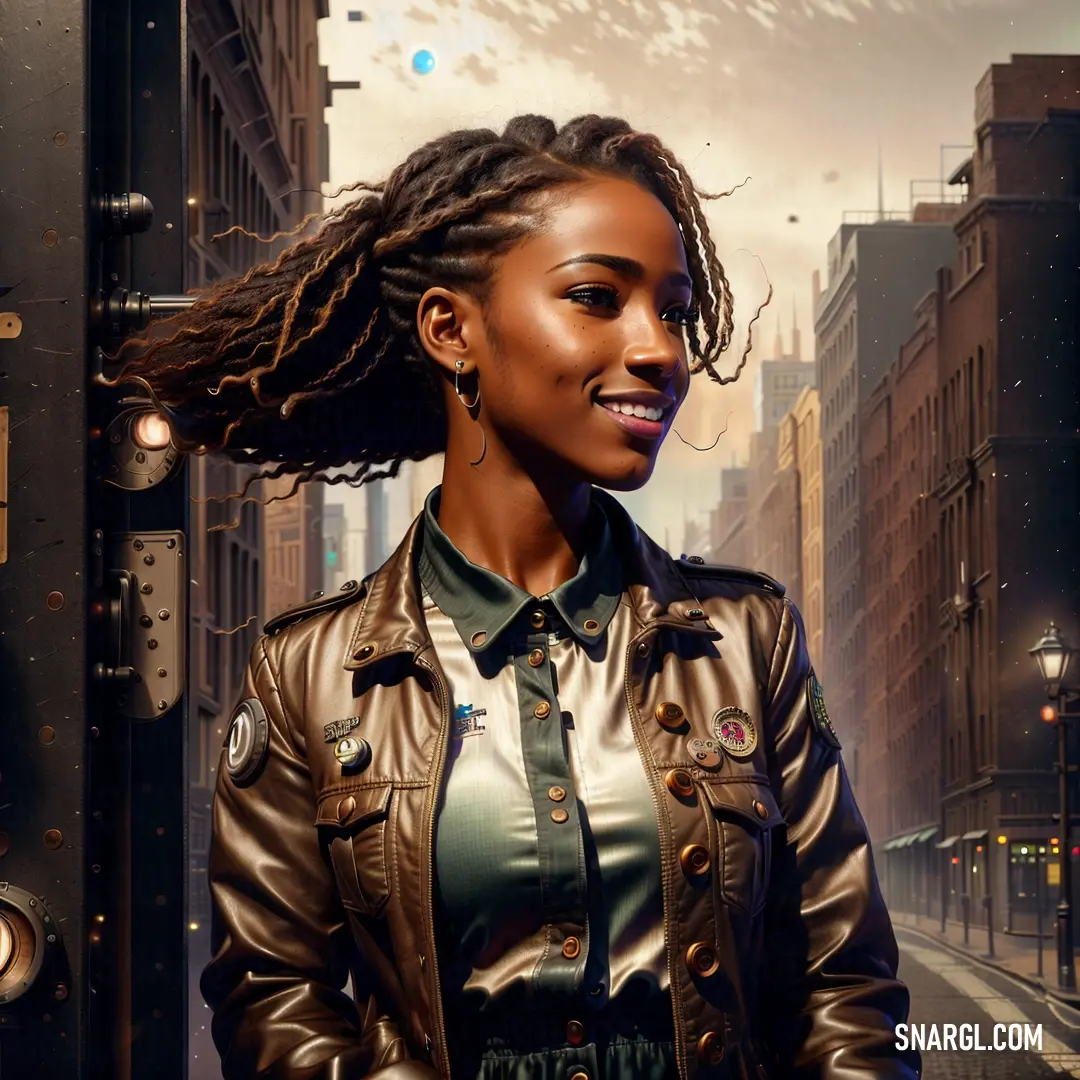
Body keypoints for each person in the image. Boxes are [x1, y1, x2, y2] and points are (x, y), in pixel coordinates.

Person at [107, 114, 917, 1080]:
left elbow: (845, 989)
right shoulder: (310, 677)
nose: (659, 349)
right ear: (453, 329)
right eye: (597, 297)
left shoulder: (748, 641)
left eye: (674, 311)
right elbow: (274, 1004)